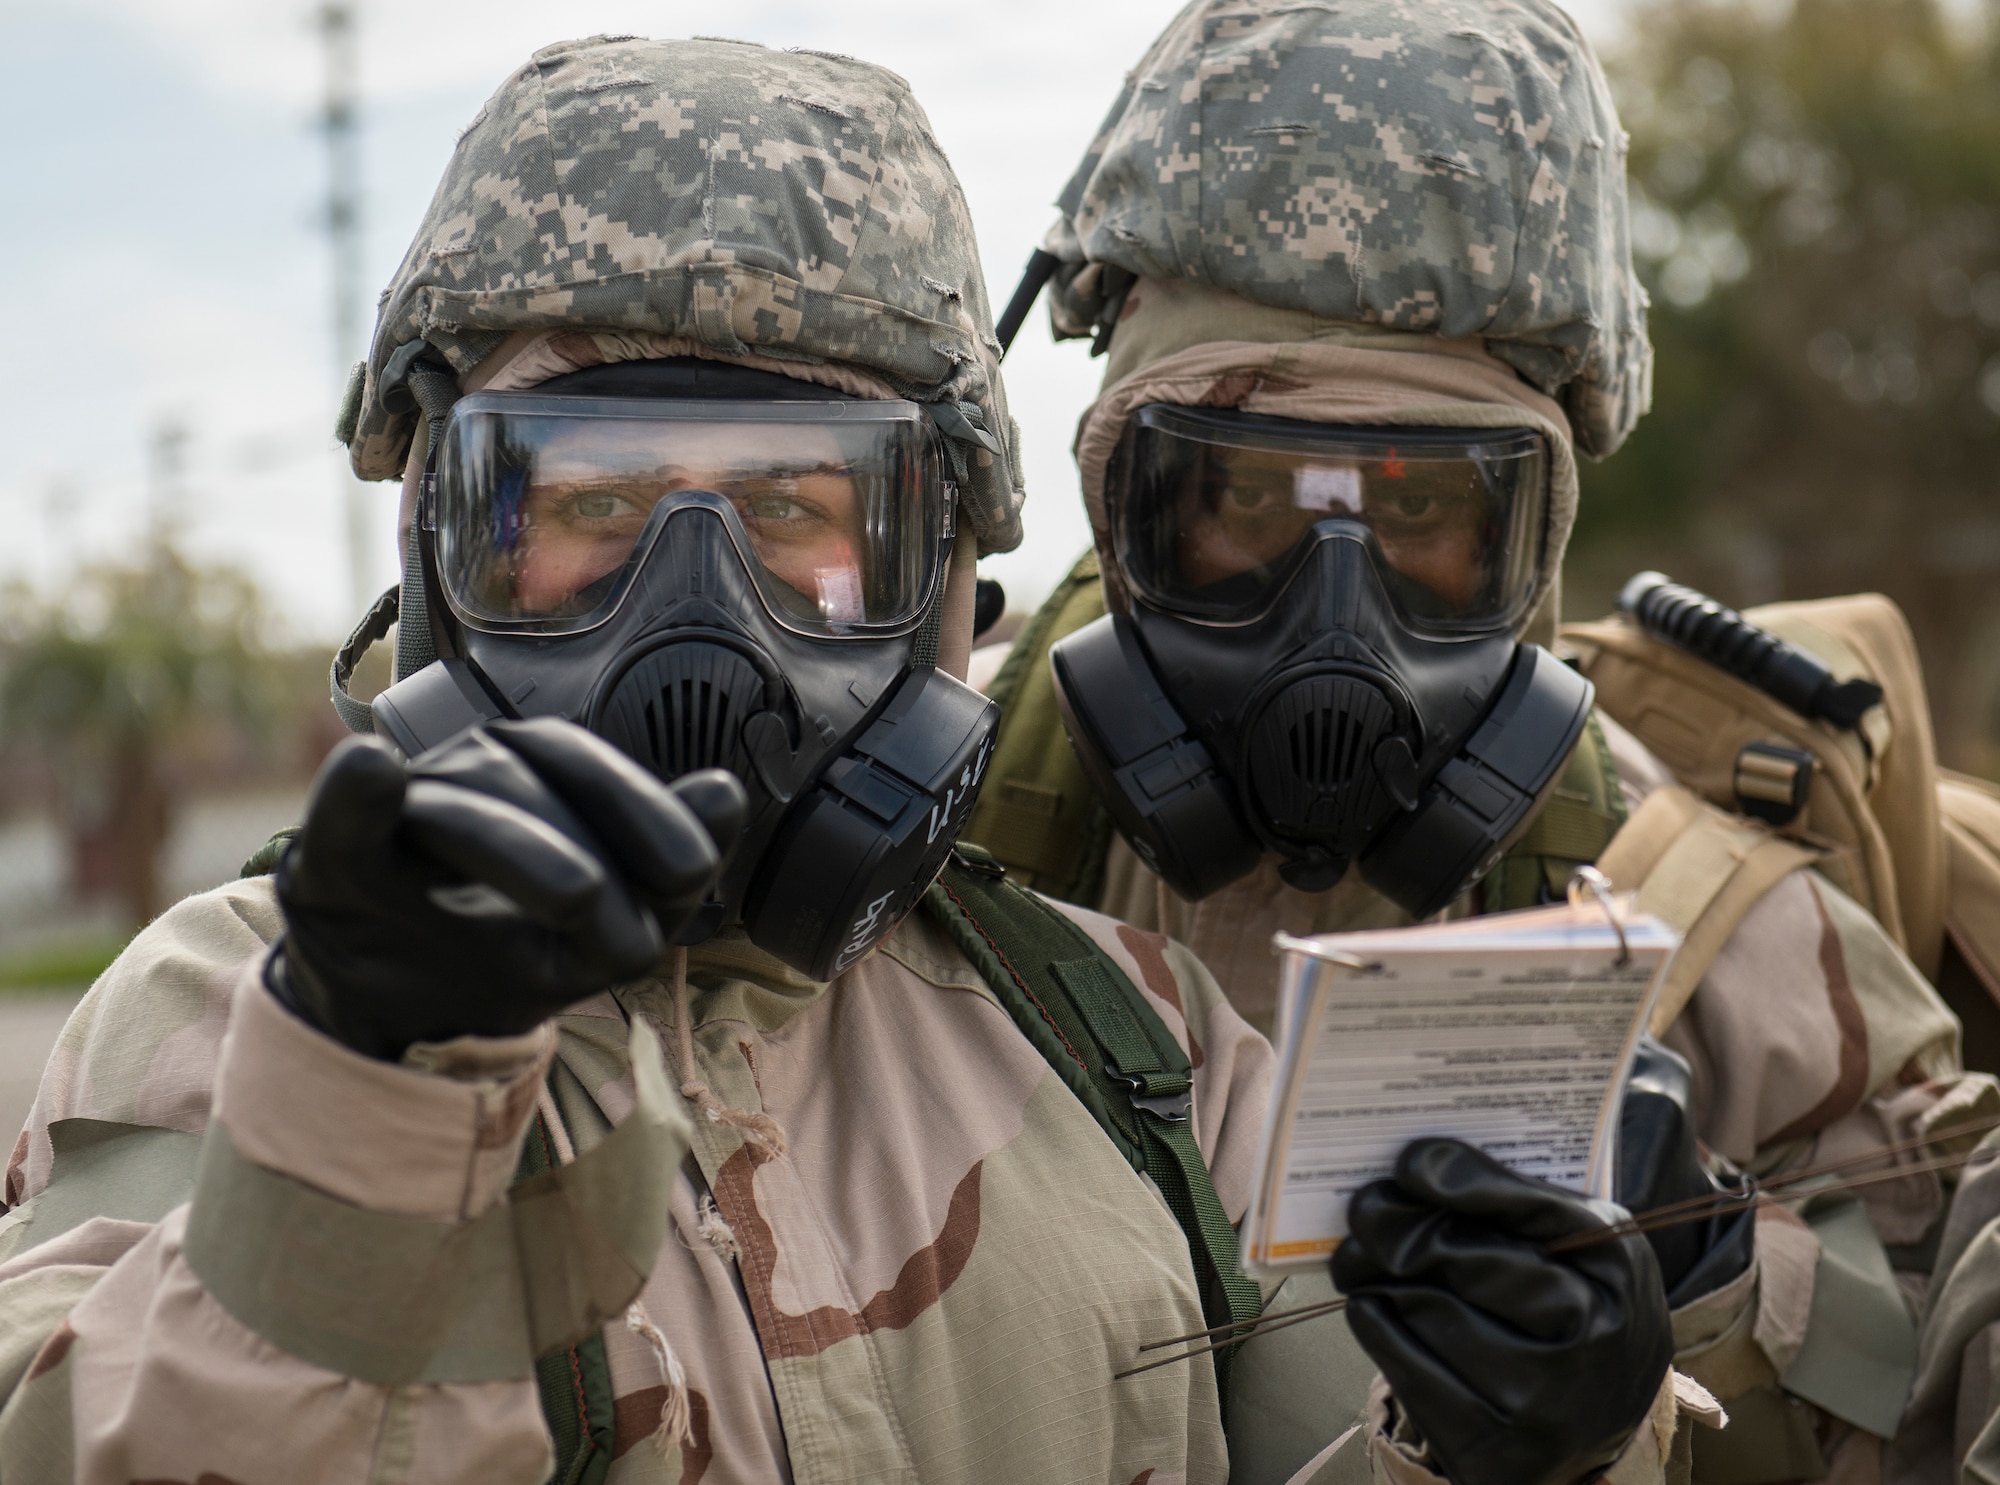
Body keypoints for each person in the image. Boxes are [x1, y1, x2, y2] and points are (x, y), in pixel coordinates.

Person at [0, 33, 1686, 1485]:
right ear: (442, 568)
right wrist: (364, 1106)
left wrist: (1526, 1434)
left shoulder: (1138, 1042)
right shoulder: (241, 1018)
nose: (694, 611)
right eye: (593, 502)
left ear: (946, 584)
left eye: (797, 509)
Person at [963, 0, 1998, 1478]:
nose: (1330, 624)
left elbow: (1937, 1366)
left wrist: (1701, 1284)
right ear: (1122, 500)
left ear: (1536, 538)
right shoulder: (918, 843)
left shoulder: (1702, 914)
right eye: (1246, 500)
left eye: (1422, 509)